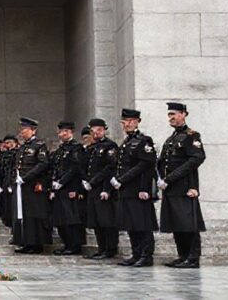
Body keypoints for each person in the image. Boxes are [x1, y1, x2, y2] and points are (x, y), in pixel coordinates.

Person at [157, 102, 206, 268]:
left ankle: (192, 258)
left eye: (174, 114)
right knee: (177, 222)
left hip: (185, 186)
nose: (171, 118)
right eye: (169, 115)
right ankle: (182, 255)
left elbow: (196, 158)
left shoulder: (191, 135)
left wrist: (169, 178)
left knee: (188, 223)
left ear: (184, 114)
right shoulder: (171, 139)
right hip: (170, 188)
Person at [111, 108, 158, 267]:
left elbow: (146, 165)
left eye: (130, 121)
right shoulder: (127, 143)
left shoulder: (144, 141)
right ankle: (136, 253)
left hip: (138, 189)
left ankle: (146, 255)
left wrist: (145, 188)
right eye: (124, 122)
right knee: (131, 223)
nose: (127, 124)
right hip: (126, 190)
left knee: (142, 224)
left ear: (138, 121)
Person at [82, 118, 120, 260]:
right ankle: (101, 247)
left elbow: (110, 168)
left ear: (104, 130)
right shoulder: (93, 147)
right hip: (93, 188)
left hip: (103, 187)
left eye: (99, 130)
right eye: (93, 131)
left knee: (107, 220)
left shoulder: (110, 146)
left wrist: (106, 189)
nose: (96, 133)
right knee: (97, 220)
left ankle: (110, 248)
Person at [12, 117, 51, 254]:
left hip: (33, 185)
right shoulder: (23, 147)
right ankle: (27, 242)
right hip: (22, 186)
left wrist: (26, 178)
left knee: (34, 214)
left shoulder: (39, 145)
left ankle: (36, 244)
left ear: (33, 130)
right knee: (25, 214)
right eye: (21, 129)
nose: (22, 132)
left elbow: (43, 164)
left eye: (24, 129)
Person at [49, 121, 87, 255]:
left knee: (72, 219)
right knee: (61, 218)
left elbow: (76, 168)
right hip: (59, 188)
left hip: (71, 187)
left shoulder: (76, 148)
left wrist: (62, 182)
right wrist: (54, 185)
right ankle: (66, 244)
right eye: (60, 131)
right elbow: (55, 168)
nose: (62, 134)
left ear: (71, 132)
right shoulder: (60, 150)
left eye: (65, 131)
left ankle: (75, 245)